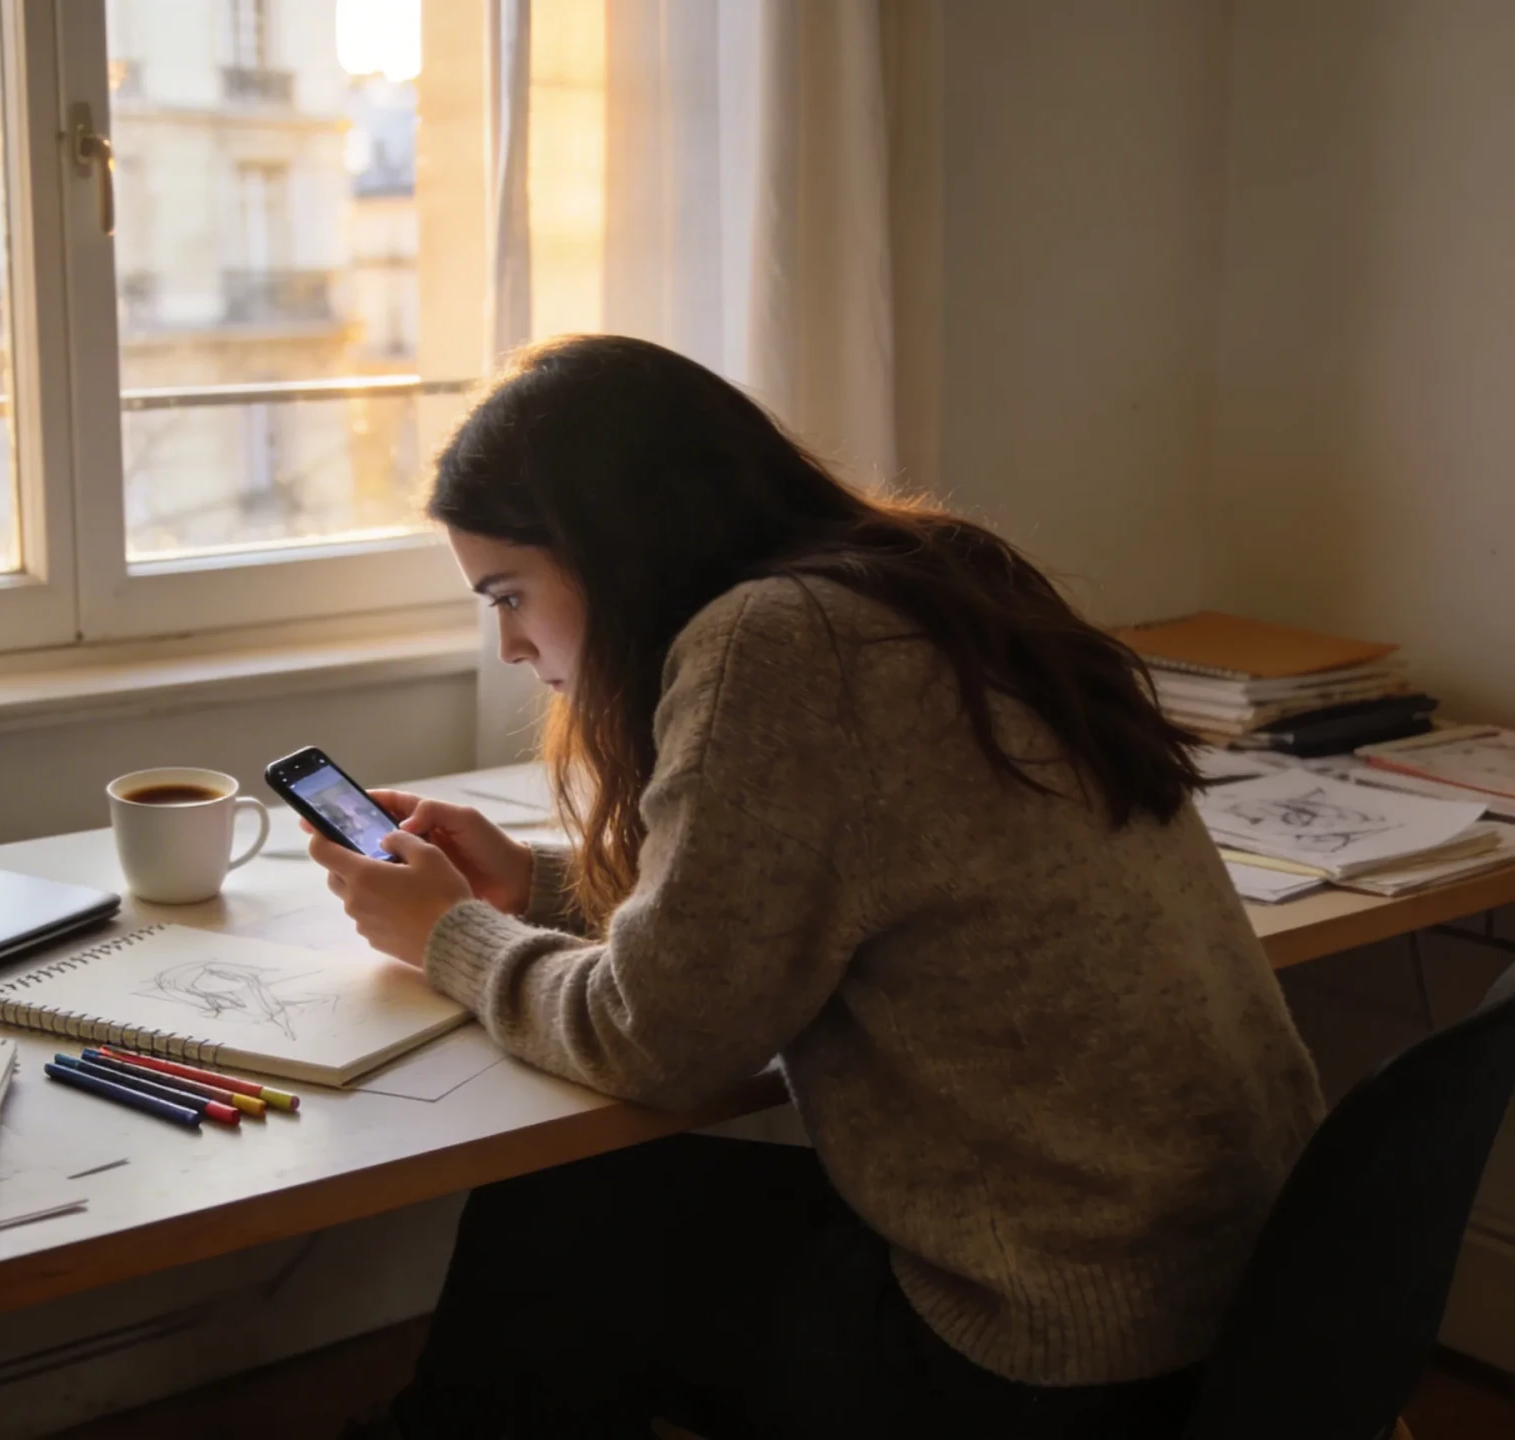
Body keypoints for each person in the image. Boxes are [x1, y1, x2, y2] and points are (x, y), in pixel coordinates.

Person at [308, 335, 1323, 1439]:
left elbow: (662, 1042)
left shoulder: (775, 642)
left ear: (614, 547)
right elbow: (804, 887)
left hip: (1049, 1346)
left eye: (508, 593)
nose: (507, 643)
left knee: (562, 1224)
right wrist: (532, 882)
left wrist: (448, 936)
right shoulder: (934, 571)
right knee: (580, 1224)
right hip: (1248, 1300)